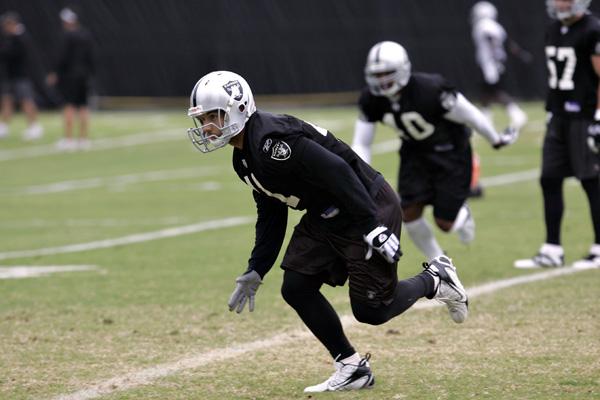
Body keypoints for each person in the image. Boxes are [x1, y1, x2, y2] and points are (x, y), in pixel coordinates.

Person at [186, 70, 469, 392]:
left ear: (238, 108)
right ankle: (351, 366)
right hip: (328, 212)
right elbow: (271, 213)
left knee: (372, 311)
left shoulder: (272, 142)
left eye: (213, 115)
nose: (207, 126)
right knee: (296, 286)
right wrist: (257, 268)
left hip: (364, 202)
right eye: (203, 118)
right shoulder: (244, 159)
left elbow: (339, 170)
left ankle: (435, 279)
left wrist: (371, 225)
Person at [351, 41, 517, 261]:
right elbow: (362, 142)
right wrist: (360, 175)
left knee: (445, 223)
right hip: (414, 153)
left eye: (387, 73)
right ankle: (438, 262)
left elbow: (470, 115)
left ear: (402, 69)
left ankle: (462, 214)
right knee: (408, 213)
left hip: (450, 152)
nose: (382, 80)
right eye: (377, 74)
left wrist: (494, 138)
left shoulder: (431, 89)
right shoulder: (371, 99)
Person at [514, 0, 600, 269]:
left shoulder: (593, 29)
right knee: (549, 179)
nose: (560, 3)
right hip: (558, 115)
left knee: (591, 180)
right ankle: (552, 248)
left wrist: (599, 117)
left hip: (584, 115)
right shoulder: (552, 28)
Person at [469, 1, 531, 198]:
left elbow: (491, 41)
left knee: (495, 94)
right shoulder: (496, 26)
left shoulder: (484, 27)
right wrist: (520, 53)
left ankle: (517, 114)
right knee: (486, 95)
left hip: (490, 64)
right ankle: (487, 119)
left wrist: (493, 60)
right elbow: (509, 44)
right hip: (495, 63)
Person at [46, 7, 95, 151]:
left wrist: (55, 73)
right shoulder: (86, 35)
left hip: (70, 77)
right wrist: (91, 74)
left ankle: (68, 140)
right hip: (84, 76)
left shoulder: (67, 36)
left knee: (69, 106)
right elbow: (91, 57)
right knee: (84, 107)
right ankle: (83, 140)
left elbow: (63, 58)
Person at [0, 11, 43, 140]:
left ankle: (34, 126)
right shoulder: (9, 37)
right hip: (9, 75)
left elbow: (13, 54)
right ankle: (4, 127)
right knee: (7, 100)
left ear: (12, 24)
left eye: (6, 24)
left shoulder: (22, 37)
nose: (4, 28)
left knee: (26, 100)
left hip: (22, 76)